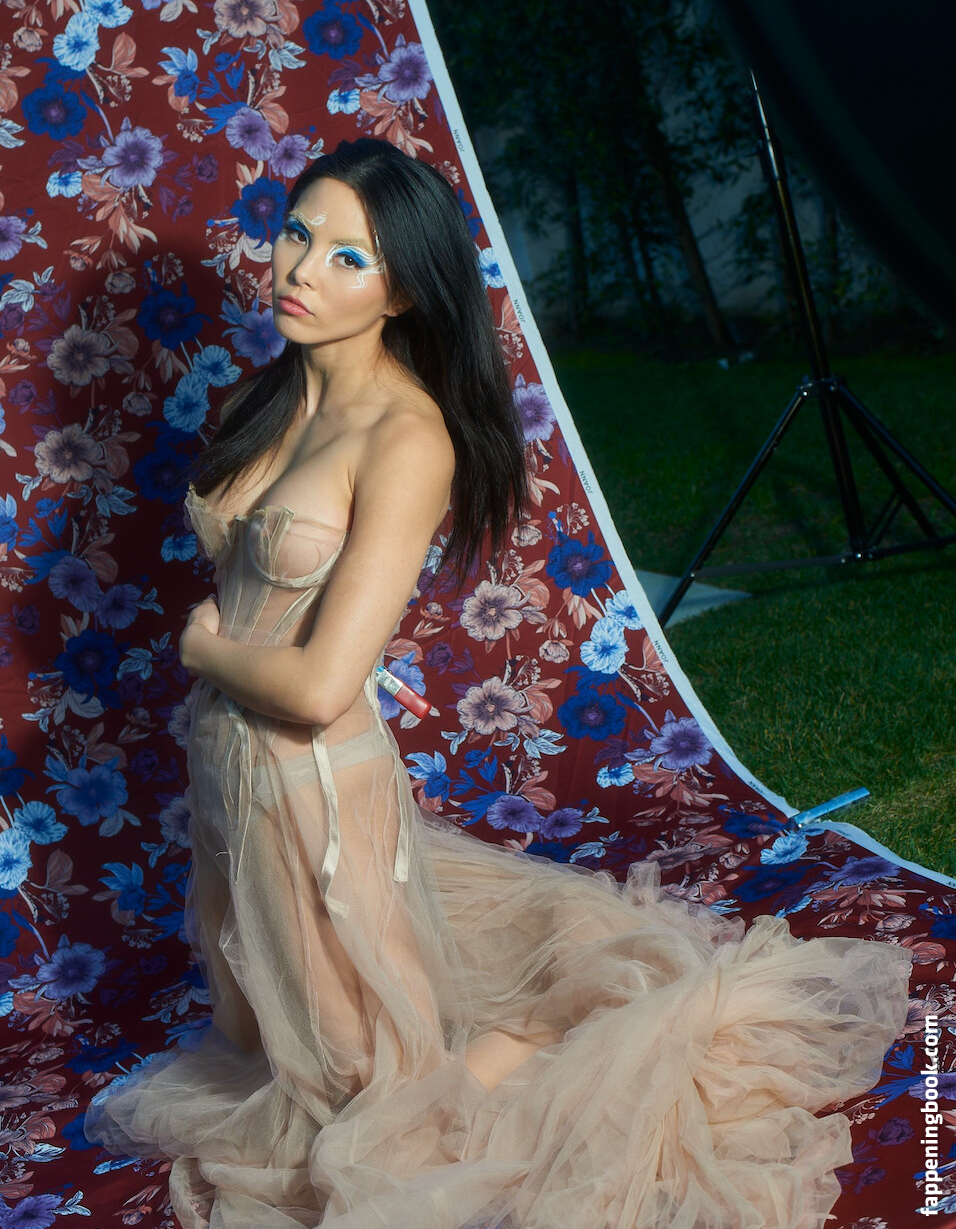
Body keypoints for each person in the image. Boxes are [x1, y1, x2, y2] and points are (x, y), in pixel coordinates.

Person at [84, 138, 913, 1229]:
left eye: (348, 258)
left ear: (403, 292)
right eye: (298, 234)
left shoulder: (408, 437)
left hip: (306, 787)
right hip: (225, 777)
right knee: (274, 1053)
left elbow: (321, 686)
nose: (301, 269)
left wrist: (204, 650)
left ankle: (551, 1046)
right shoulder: (273, 395)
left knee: (371, 1115)